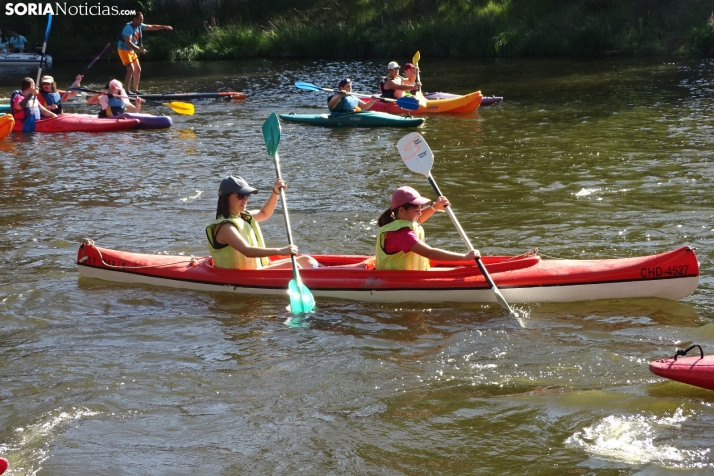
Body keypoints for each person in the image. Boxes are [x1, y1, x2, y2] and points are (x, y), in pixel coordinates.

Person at [206, 175, 321, 270]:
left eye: (247, 195)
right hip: (241, 275)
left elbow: (264, 213)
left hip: (260, 267)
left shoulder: (244, 217)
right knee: (293, 265)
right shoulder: (225, 227)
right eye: (240, 195)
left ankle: (327, 272)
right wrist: (281, 250)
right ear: (225, 197)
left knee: (307, 260)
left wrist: (275, 192)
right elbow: (247, 251)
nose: (245, 199)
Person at [375, 186, 479, 270]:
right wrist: (465, 257)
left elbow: (418, 220)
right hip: (396, 279)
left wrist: (435, 207)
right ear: (401, 210)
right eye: (416, 210)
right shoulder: (402, 233)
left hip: (412, 274)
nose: (420, 213)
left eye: (420, 209)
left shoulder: (402, 221)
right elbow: (429, 253)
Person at [117, 11, 173, 94]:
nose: (141, 21)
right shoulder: (129, 28)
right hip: (123, 50)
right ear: (134, 19)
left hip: (131, 50)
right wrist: (140, 49)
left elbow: (152, 27)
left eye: (142, 19)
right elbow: (128, 42)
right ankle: (127, 91)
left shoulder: (140, 26)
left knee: (138, 69)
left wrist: (165, 27)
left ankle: (135, 90)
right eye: (140, 19)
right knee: (131, 69)